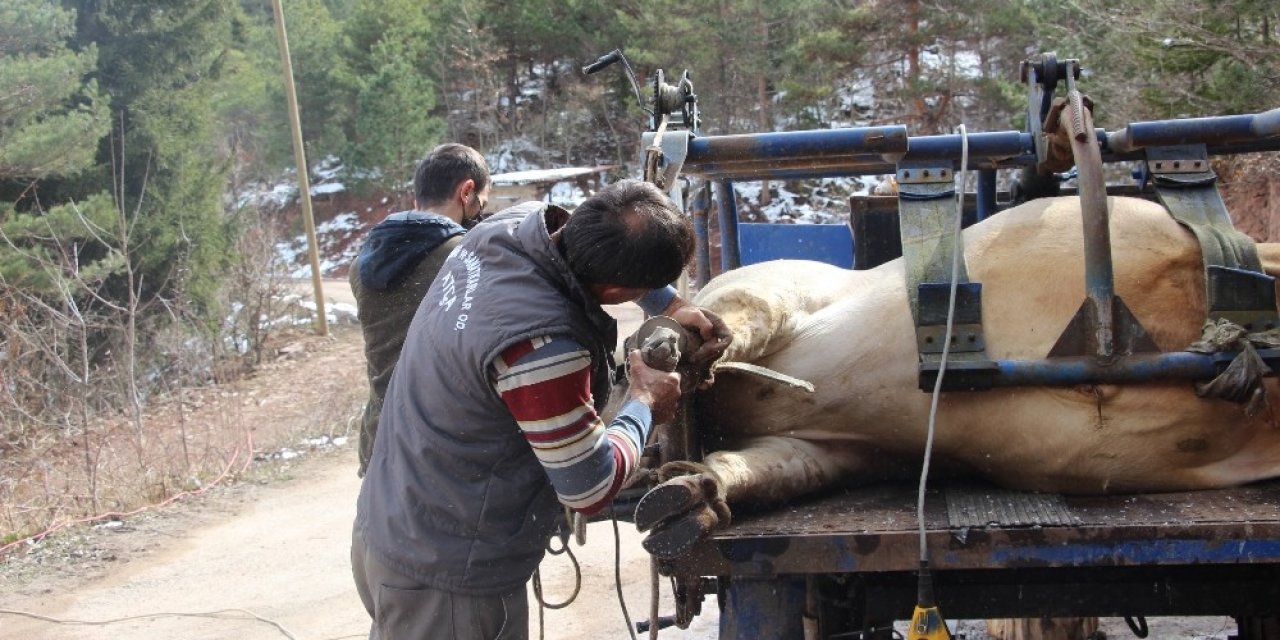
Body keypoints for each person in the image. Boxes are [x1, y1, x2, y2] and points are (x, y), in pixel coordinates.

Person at [351, 179, 731, 639]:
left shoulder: (509, 227)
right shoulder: (542, 348)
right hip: (446, 580)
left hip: (390, 524)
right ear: (615, 290)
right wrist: (645, 401)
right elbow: (589, 486)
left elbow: (595, 251)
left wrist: (668, 302)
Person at [348, 143, 491, 477]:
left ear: (417, 200)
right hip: (442, 443)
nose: (482, 213)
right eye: (482, 202)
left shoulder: (362, 264)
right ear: (466, 191)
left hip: (380, 441)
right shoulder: (469, 257)